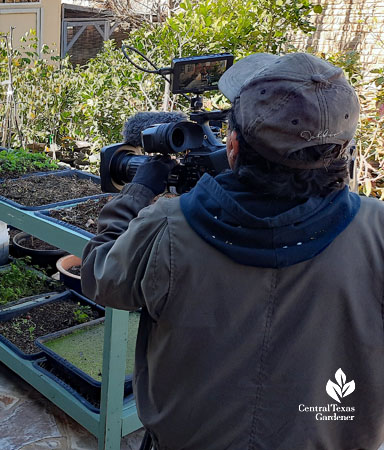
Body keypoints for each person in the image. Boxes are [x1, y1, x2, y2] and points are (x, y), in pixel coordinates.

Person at [81, 52, 384, 449]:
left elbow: (100, 276)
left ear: (234, 147)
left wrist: (137, 191)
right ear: (344, 150)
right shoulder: (377, 231)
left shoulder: (170, 228)